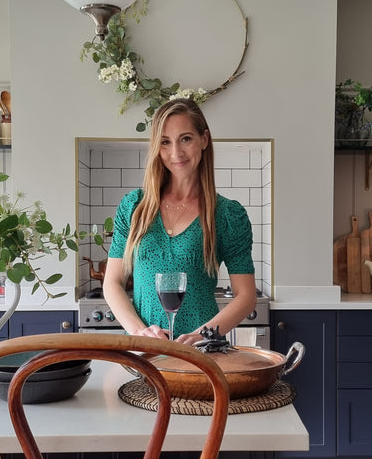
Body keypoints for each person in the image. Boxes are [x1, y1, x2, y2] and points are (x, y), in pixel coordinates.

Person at [102, 98, 257, 345]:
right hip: (145, 353)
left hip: (201, 354)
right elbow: (112, 282)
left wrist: (202, 335)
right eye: (165, 142)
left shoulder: (227, 215)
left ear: (204, 139)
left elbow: (246, 295)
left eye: (185, 138)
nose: (176, 153)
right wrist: (140, 332)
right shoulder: (134, 207)